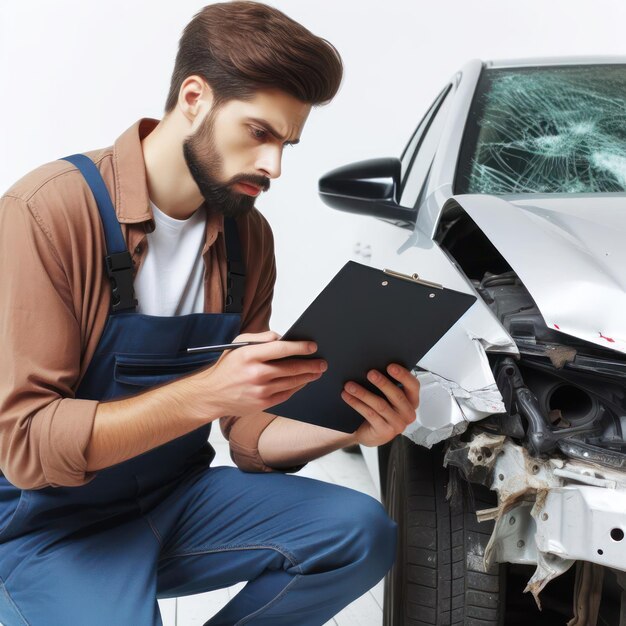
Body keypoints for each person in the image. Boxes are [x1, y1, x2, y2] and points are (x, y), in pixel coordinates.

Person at [0, 2, 420, 624]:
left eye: (287, 143)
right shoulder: (48, 213)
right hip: (47, 525)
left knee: (360, 532)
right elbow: (28, 444)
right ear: (194, 98)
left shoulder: (249, 238)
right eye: (259, 133)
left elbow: (248, 436)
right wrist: (206, 392)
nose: (275, 166)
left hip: (177, 499)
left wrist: (352, 429)